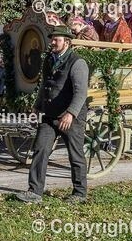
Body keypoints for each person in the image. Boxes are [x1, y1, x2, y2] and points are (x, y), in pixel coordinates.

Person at [15, 24, 89, 204]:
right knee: (40, 149)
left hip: (70, 117)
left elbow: (81, 93)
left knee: (75, 154)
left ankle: (79, 193)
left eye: (56, 40)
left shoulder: (77, 63)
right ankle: (35, 192)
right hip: (49, 115)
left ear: (67, 42)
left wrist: (70, 113)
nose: (53, 42)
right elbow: (44, 86)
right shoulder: (49, 59)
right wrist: (36, 107)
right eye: (52, 39)